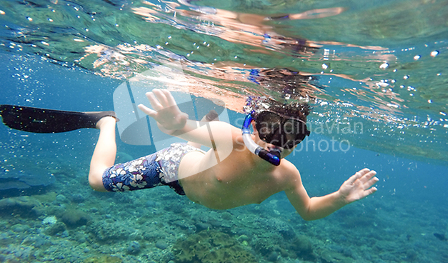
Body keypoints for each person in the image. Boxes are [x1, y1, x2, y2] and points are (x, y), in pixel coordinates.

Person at [87, 89, 378, 221]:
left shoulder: (288, 176)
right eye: (269, 129)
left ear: (298, 143)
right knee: (98, 182)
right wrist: (177, 124)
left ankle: (206, 135)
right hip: (172, 168)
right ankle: (106, 122)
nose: (276, 143)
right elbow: (183, 129)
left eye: (290, 135)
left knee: (207, 145)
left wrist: (339, 198)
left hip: (199, 176)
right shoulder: (232, 138)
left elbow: (309, 210)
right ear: (252, 126)